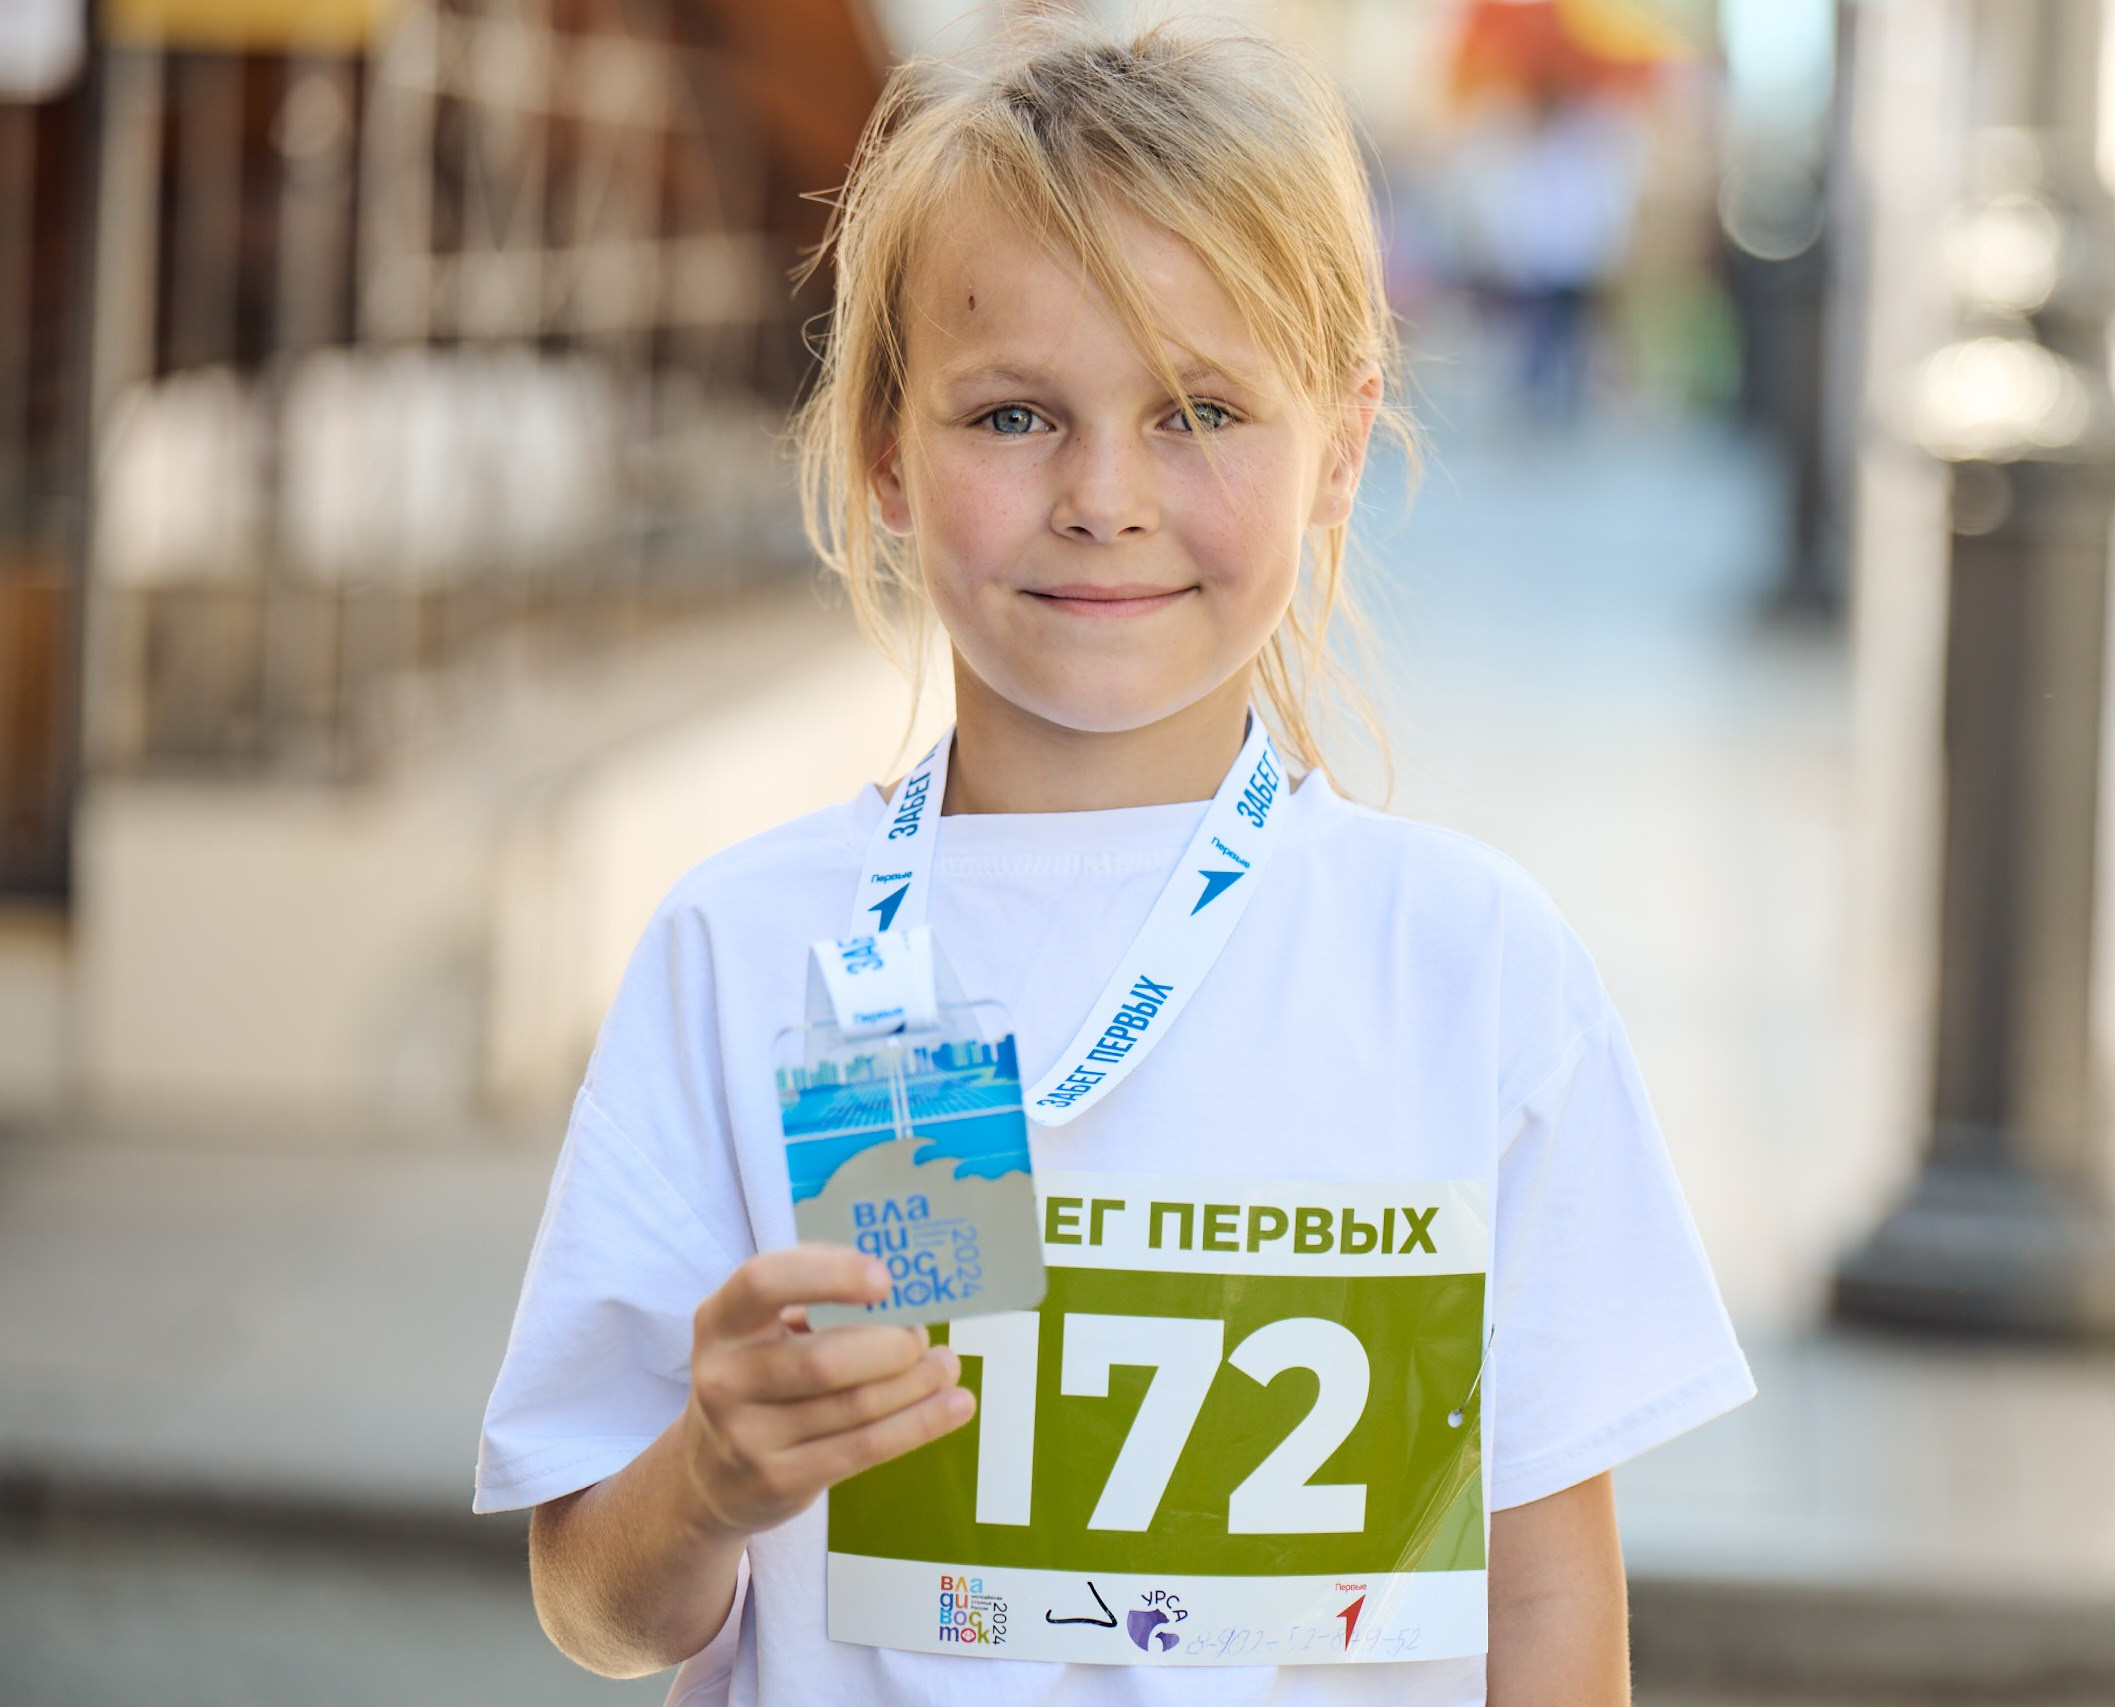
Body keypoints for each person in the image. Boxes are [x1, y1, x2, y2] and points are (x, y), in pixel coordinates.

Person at [475, 20, 1751, 1706]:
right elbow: (596, 1602)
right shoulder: (742, 950)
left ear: (1342, 447)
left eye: (1200, 410)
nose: (1103, 496)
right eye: (1013, 415)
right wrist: (708, 1479)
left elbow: (1549, 1602)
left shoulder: (1472, 965)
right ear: (885, 453)